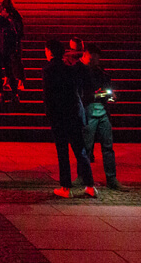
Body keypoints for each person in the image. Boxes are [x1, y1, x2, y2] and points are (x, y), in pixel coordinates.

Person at [43, 38, 96, 198]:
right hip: (74, 113)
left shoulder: (49, 70)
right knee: (80, 150)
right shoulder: (70, 68)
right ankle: (90, 186)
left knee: (63, 152)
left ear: (50, 52)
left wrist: (50, 115)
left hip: (60, 116)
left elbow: (48, 96)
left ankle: (66, 187)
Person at [80, 44, 121, 190]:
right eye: (92, 59)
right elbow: (82, 94)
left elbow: (107, 90)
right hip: (89, 109)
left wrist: (110, 96)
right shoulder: (79, 71)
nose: (95, 62)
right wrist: (99, 94)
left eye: (97, 59)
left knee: (107, 146)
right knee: (86, 146)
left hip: (102, 110)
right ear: (85, 56)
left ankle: (111, 178)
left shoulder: (100, 72)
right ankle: (83, 177)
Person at [2, 0, 25, 103]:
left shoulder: (12, 17)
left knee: (14, 61)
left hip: (12, 41)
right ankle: (17, 81)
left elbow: (18, 30)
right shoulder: (16, 16)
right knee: (14, 61)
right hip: (14, 41)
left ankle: (18, 81)